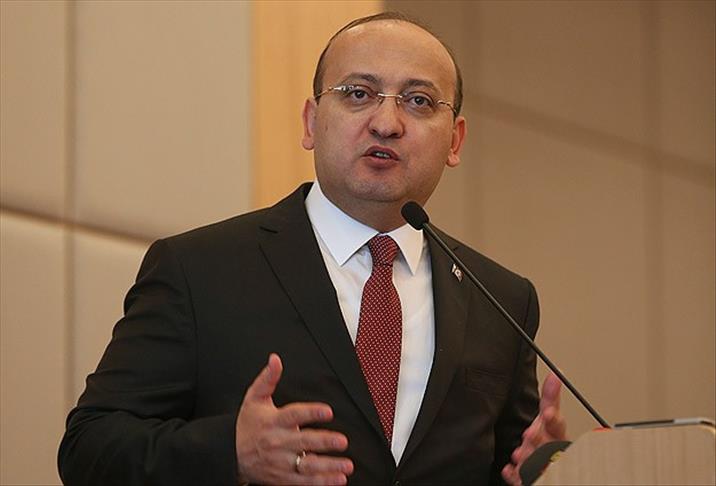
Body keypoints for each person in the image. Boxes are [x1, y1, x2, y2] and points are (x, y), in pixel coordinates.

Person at [58, 12, 566, 486]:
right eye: (358, 93)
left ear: (454, 141)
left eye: (418, 101)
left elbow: (504, 464)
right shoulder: (200, 270)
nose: (386, 123)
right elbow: (89, 446)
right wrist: (231, 452)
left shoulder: (502, 300)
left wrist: (546, 472)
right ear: (310, 122)